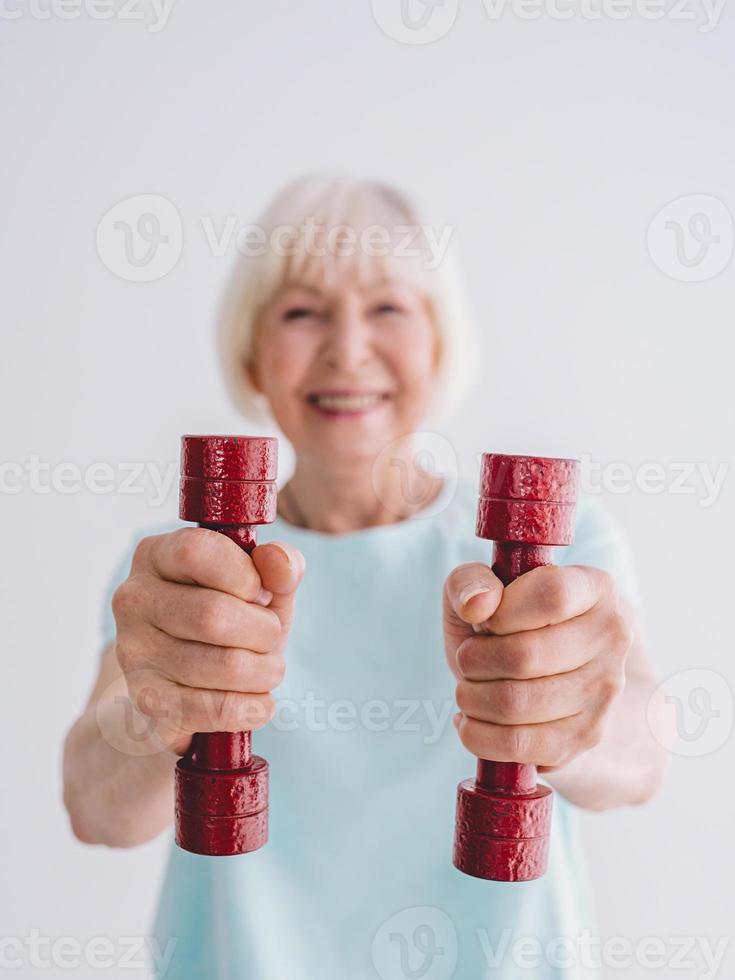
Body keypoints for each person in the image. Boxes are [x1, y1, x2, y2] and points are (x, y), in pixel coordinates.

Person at [63, 175, 671, 979]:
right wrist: (153, 712)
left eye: (387, 309)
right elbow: (95, 805)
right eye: (301, 311)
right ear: (251, 351)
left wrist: (571, 721)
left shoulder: (567, 542)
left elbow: (640, 756)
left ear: (439, 343)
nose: (347, 350)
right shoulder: (179, 570)